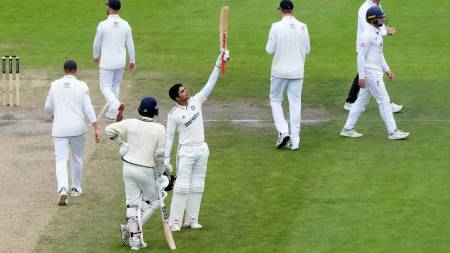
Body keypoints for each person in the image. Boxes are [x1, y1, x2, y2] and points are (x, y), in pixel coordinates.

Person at [165, 51, 229, 232]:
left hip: (202, 149)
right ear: (177, 98)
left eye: (185, 89)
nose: (186, 91)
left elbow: (211, 82)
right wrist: (167, 159)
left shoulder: (197, 101)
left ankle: (192, 219)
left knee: (198, 185)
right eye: (182, 91)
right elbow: (169, 136)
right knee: (182, 186)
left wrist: (219, 62)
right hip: (185, 151)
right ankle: (175, 221)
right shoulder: (174, 115)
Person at [105, 96, 168, 250]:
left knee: (132, 205)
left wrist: (121, 144)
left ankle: (135, 241)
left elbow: (109, 129)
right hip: (145, 170)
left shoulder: (131, 123)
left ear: (140, 109)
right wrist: (160, 173)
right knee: (156, 201)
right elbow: (159, 155)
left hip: (128, 168)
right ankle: (129, 230)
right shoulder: (160, 128)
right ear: (156, 111)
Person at [340, 6, 409, 140]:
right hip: (371, 74)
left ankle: (347, 129)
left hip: (375, 73)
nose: (382, 19)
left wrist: (387, 69)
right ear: (373, 20)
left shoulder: (377, 33)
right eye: (380, 17)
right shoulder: (367, 35)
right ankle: (393, 132)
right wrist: (361, 76)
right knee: (384, 101)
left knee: (360, 101)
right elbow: (360, 56)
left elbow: (379, 53)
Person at [44, 60, 101, 206]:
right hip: (77, 129)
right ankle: (75, 188)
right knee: (77, 158)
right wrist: (96, 127)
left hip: (59, 129)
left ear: (64, 70)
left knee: (61, 161)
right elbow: (88, 108)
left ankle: (62, 189)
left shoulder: (54, 85)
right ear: (75, 71)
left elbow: (48, 107)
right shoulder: (82, 86)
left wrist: (54, 116)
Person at [343, 0, 403, 113]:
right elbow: (369, 29)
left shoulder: (377, 5)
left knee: (364, 73)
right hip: (366, 46)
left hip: (375, 44)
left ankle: (350, 102)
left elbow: (379, 24)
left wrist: (385, 29)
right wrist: (386, 32)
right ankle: (387, 104)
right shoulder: (364, 9)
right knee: (374, 73)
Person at [266, 0, 310, 150]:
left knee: (275, 100)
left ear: (281, 10)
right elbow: (307, 49)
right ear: (293, 10)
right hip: (297, 72)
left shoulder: (276, 27)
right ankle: (295, 142)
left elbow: (269, 49)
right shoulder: (303, 27)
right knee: (295, 104)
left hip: (279, 71)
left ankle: (283, 131)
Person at [93, 0, 135, 122]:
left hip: (107, 62)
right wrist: (132, 60)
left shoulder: (102, 24)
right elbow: (130, 44)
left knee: (105, 87)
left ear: (110, 8)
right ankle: (112, 113)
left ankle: (116, 106)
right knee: (115, 86)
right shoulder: (126, 24)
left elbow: (97, 43)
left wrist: (96, 56)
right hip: (120, 62)